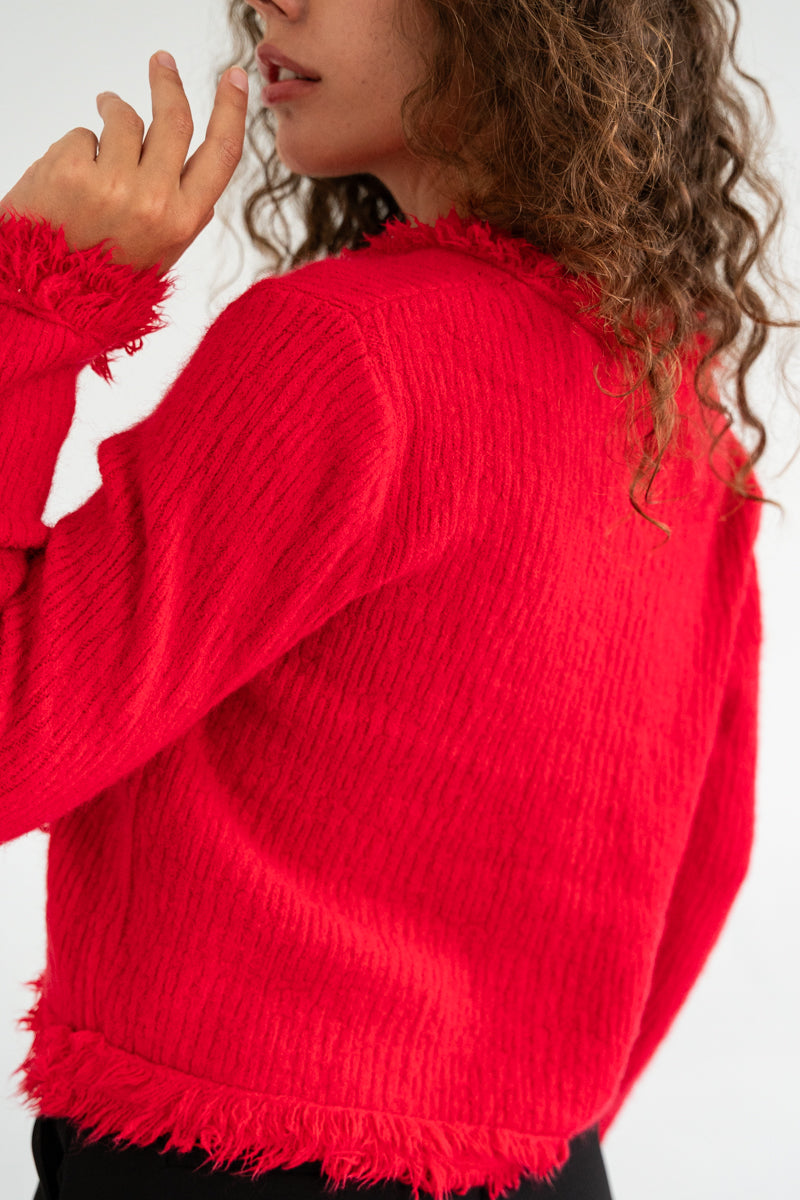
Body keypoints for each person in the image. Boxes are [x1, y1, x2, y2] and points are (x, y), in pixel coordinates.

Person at [0, 1, 795, 1197]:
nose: (270, 1)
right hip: (538, 1167)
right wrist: (517, 1120)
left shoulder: (341, 353)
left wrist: (32, 300)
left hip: (228, 1164)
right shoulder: (674, 412)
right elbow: (704, 860)